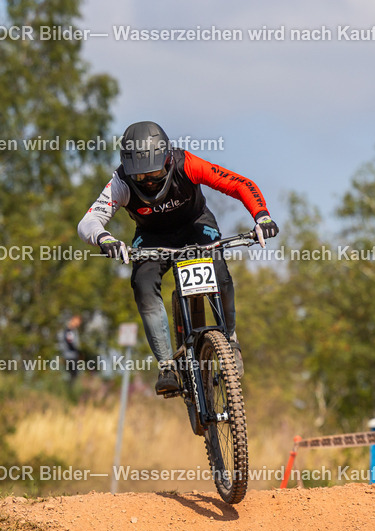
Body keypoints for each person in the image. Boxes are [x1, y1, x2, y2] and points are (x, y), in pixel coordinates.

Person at [77, 121, 278, 394]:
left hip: (196, 226)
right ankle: (166, 366)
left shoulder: (188, 164)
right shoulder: (120, 183)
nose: (148, 181)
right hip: (152, 238)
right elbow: (89, 222)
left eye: (155, 172)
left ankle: (230, 339)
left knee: (220, 272)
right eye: (140, 177)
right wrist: (105, 239)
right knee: (142, 285)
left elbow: (240, 184)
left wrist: (261, 216)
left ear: (168, 159)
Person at [58, 314, 83, 381]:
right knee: (73, 374)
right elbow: (69, 343)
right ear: (73, 320)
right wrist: (77, 351)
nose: (78, 324)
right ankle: (69, 389)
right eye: (77, 321)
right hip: (69, 355)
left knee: (73, 374)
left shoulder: (72, 330)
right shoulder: (69, 330)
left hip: (71, 355)